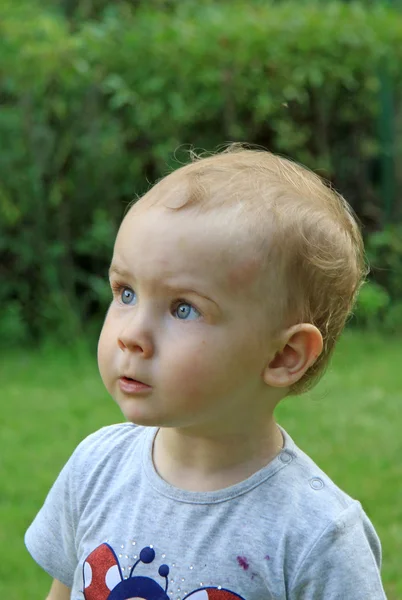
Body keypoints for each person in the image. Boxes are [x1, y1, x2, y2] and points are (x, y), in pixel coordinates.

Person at [25, 146, 386, 600]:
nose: (131, 335)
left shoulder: (315, 535)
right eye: (126, 292)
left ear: (283, 356)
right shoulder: (96, 467)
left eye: (183, 308)